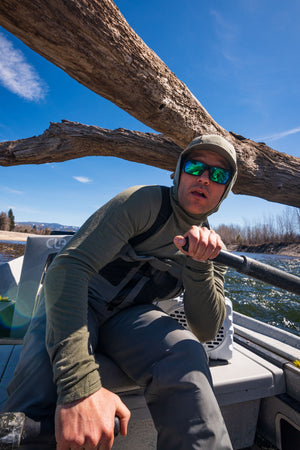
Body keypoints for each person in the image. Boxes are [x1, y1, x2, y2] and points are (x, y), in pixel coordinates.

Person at [2, 134, 237, 449]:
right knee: (40, 379)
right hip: (78, 296)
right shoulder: (143, 202)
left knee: (187, 352)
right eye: (196, 166)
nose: (205, 178)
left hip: (131, 316)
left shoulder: (215, 250)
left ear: (226, 190)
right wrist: (80, 387)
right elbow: (67, 270)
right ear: (179, 172)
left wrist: (199, 264)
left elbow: (205, 329)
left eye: (219, 175)